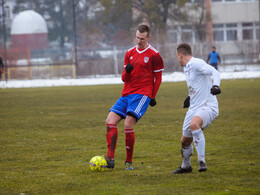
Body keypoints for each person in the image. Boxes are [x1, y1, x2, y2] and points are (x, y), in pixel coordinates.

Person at [105, 24, 164, 170]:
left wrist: (152, 96)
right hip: (126, 93)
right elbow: (124, 78)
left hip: (142, 94)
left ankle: (128, 162)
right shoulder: (129, 53)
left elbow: (158, 78)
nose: (139, 41)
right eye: (137, 38)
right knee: (110, 122)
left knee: (127, 125)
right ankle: (110, 158)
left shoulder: (154, 55)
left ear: (148, 38)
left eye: (142, 39)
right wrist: (128, 72)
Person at [172, 43, 221, 174]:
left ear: (180, 55)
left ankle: (202, 162)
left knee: (194, 124)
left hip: (208, 106)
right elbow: (196, 84)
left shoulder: (196, 63)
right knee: (185, 140)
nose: (177, 59)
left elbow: (214, 72)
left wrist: (215, 85)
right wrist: (189, 97)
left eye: (177, 56)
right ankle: (186, 166)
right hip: (194, 108)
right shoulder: (187, 68)